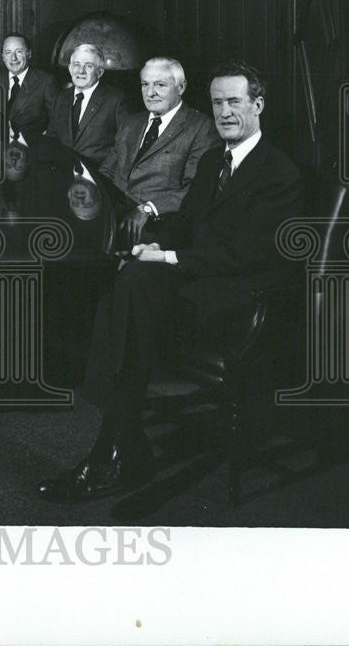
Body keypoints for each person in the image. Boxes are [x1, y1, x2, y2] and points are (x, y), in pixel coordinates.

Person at [37, 60, 303, 502]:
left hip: (243, 294)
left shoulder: (279, 172)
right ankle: (118, 443)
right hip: (201, 275)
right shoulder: (216, 156)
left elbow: (248, 254)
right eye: (217, 102)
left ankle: (115, 447)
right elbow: (188, 221)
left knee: (134, 292)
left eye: (234, 101)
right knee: (129, 281)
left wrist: (170, 256)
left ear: (258, 105)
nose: (224, 112)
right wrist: (152, 245)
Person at [100, 57, 220, 246]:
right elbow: (107, 171)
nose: (150, 93)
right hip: (112, 217)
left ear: (181, 87)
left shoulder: (201, 128)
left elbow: (195, 190)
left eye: (160, 85)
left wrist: (147, 209)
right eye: (145, 84)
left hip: (156, 225)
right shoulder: (131, 123)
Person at [45, 43, 132, 169]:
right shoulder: (61, 98)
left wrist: (104, 174)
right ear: (70, 68)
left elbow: (124, 145)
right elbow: (52, 136)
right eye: (77, 65)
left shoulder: (116, 100)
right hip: (62, 171)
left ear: (100, 72)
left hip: (99, 175)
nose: (81, 71)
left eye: (88, 66)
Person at [0, 33, 57, 144]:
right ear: (3, 56)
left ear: (29, 54)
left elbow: (56, 121)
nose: (13, 58)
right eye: (8, 52)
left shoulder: (46, 81)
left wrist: (41, 143)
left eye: (19, 51)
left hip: (30, 147)